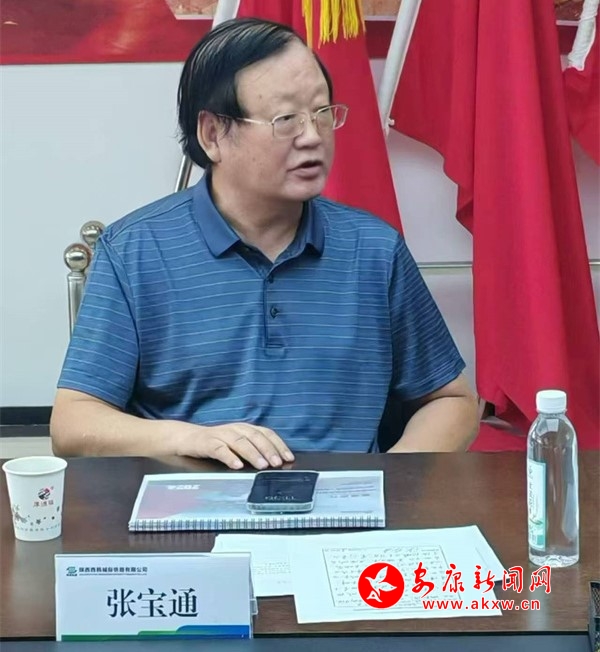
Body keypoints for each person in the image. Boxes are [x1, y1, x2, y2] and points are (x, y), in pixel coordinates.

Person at [50, 17, 479, 469]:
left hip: (344, 503)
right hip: (192, 503)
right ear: (213, 134)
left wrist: (388, 480)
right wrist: (190, 438)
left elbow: (451, 402)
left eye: (322, 113)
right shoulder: (135, 251)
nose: (312, 136)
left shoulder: (374, 250)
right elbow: (74, 424)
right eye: (285, 119)